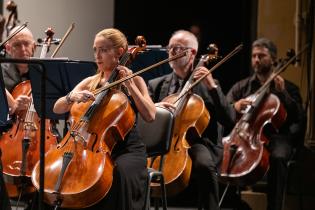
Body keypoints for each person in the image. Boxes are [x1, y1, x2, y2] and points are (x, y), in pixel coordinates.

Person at [53, 28, 156, 210]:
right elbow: (57, 107)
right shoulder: (90, 82)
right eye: (95, 50)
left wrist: (130, 86)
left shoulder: (136, 80)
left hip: (126, 150)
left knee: (117, 175)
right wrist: (72, 97)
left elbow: (150, 115)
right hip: (91, 148)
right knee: (60, 175)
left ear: (120, 52)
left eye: (104, 50)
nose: (97, 55)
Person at [147, 30, 235, 210]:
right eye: (169, 48)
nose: (171, 52)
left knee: (204, 164)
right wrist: (159, 108)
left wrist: (212, 87)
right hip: (161, 140)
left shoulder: (208, 84)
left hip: (195, 141)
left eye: (176, 48)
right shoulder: (156, 85)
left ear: (192, 53)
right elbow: (146, 117)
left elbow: (229, 119)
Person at [226, 37, 306, 210]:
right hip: (247, 136)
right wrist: (235, 106)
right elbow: (225, 109)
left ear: (274, 59)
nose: (256, 60)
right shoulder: (242, 87)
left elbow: (298, 115)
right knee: (223, 154)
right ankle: (234, 204)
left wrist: (282, 93)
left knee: (277, 158)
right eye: (254, 56)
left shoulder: (289, 88)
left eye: (261, 56)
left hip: (279, 136)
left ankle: (274, 207)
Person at [1, 26, 36, 92]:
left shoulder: (41, 73)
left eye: (26, 44)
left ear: (34, 47)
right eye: (17, 45)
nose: (23, 49)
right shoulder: (1, 73)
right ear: (8, 48)